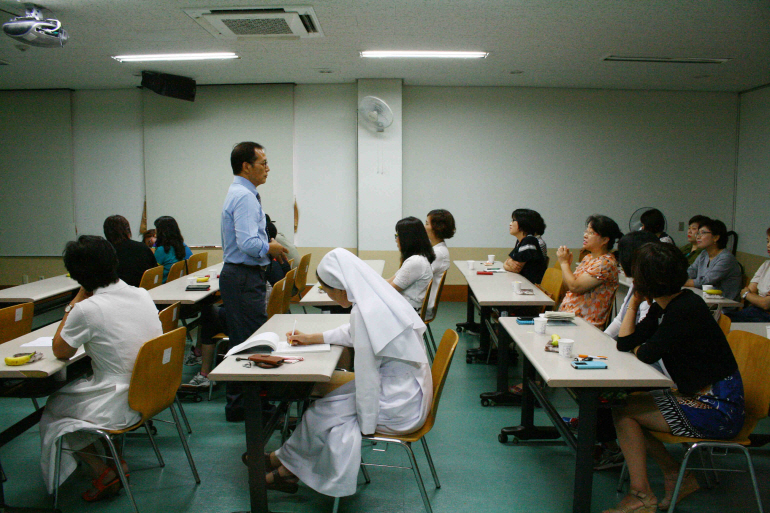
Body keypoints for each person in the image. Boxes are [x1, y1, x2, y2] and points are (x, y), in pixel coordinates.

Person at [264, 248, 432, 496]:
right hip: (408, 390)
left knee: (321, 415)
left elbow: (367, 376)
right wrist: (313, 337)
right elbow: (354, 332)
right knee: (322, 410)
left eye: (328, 291)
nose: (329, 296)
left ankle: (286, 467)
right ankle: (285, 462)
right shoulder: (378, 298)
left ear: (342, 288)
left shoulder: (365, 311)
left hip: (400, 406)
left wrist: (366, 424)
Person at [606, 242, 744, 513]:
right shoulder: (667, 304)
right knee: (622, 407)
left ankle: (642, 495)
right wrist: (634, 303)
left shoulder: (685, 308)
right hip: (697, 397)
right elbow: (626, 343)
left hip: (718, 408)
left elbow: (646, 353)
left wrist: (639, 346)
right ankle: (675, 476)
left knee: (625, 414)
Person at [39, 236, 162, 500]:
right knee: (77, 397)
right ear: (114, 261)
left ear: (78, 277)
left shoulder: (87, 309)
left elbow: (61, 350)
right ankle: (114, 460)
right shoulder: (141, 294)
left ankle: (103, 470)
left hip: (121, 399)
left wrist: (75, 301)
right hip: (152, 390)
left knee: (55, 410)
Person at [219, 141, 288, 422]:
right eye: (263, 163)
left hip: (243, 277)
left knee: (244, 340)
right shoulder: (245, 197)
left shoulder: (243, 193)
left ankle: (241, 404)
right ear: (246, 166)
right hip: (243, 276)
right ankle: (249, 407)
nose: (268, 169)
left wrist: (267, 245)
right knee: (250, 342)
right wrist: (270, 247)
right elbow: (248, 244)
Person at [593, 231, 660, 471]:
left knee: (604, 389)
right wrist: (602, 341)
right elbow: (621, 322)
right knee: (595, 376)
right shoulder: (637, 287)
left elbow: (637, 339)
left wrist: (620, 344)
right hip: (638, 356)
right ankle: (603, 439)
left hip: (654, 369)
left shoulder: (656, 297)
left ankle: (610, 446)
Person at [557, 215, 623, 329]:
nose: (585, 235)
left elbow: (575, 287)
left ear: (605, 240)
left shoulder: (605, 263)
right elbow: (568, 286)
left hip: (585, 324)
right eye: (586, 231)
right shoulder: (588, 257)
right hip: (569, 318)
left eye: (591, 233)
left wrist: (564, 264)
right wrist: (566, 265)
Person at [684, 218, 742, 301]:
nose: (698, 237)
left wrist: (681, 282)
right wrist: (680, 278)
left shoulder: (726, 258)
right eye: (698, 233)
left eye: (703, 233)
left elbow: (707, 281)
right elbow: (692, 270)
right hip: (705, 299)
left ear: (716, 237)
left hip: (724, 303)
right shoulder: (704, 253)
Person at [386, 216, 435, 310]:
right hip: (405, 307)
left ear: (407, 238)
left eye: (398, 235)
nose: (396, 239)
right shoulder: (417, 259)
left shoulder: (415, 262)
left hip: (408, 311)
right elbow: (390, 281)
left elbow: (390, 289)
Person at [727, 226, 770, 322]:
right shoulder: (766, 264)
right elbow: (749, 290)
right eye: (767, 241)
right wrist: (755, 297)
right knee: (722, 318)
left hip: (766, 316)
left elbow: (765, 304)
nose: (768, 245)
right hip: (755, 310)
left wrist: (748, 295)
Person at [102, 215, 157, 287]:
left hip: (118, 291)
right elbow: (155, 270)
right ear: (127, 231)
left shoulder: (105, 253)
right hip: (145, 289)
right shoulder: (142, 247)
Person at [503, 208, 547, 284]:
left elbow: (515, 269)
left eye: (513, 220)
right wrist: (508, 262)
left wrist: (506, 264)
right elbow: (510, 260)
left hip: (531, 285)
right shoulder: (521, 241)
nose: (510, 224)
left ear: (524, 223)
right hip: (523, 281)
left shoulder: (529, 240)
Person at [425, 209, 455, 317]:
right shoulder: (434, 249)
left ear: (436, 227)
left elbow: (417, 276)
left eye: (427, 223)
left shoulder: (438, 253)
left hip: (423, 306)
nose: (424, 227)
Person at [153, 216, 193, 283]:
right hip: (179, 281)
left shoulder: (161, 250)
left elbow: (153, 272)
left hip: (163, 284)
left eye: (156, 228)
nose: (155, 230)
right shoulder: (183, 246)